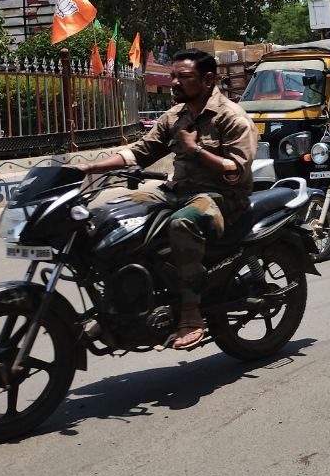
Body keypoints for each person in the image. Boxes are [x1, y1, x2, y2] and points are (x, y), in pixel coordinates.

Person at [77, 49, 258, 350]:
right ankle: (118, 303)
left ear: (208, 79)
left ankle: (190, 312)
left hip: (223, 198)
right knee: (115, 214)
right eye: (173, 76)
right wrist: (89, 166)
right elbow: (139, 151)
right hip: (179, 190)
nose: (173, 83)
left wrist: (197, 149)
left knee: (182, 223)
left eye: (183, 77)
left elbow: (235, 173)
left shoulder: (233, 118)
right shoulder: (175, 116)